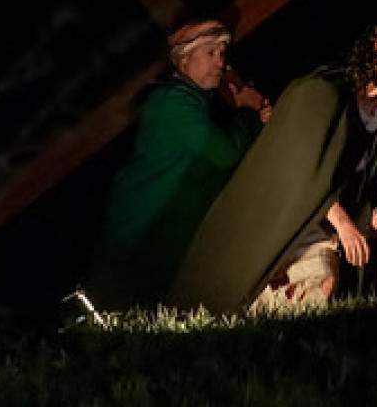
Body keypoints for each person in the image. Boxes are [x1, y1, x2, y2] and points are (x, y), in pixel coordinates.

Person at [168, 25, 377, 313]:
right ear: (376, 51)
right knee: (245, 297)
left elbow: (367, 178)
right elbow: (299, 169)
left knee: (318, 288)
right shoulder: (320, 92)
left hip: (321, 226)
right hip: (280, 215)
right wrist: (344, 224)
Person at [89, 19, 271, 309]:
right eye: (210, 53)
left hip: (166, 241)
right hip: (141, 238)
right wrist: (247, 113)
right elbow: (224, 152)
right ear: (184, 59)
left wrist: (252, 121)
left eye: (222, 54)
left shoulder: (197, 103)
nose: (220, 63)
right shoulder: (173, 102)